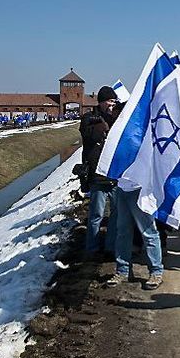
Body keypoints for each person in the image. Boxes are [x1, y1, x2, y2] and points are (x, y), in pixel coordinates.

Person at [80, 86, 121, 259]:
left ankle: (111, 247)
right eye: (110, 101)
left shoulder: (116, 118)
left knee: (116, 215)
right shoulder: (90, 118)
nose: (112, 105)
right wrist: (104, 122)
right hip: (98, 173)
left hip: (114, 174)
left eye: (114, 101)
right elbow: (92, 137)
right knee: (96, 214)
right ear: (102, 102)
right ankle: (92, 249)